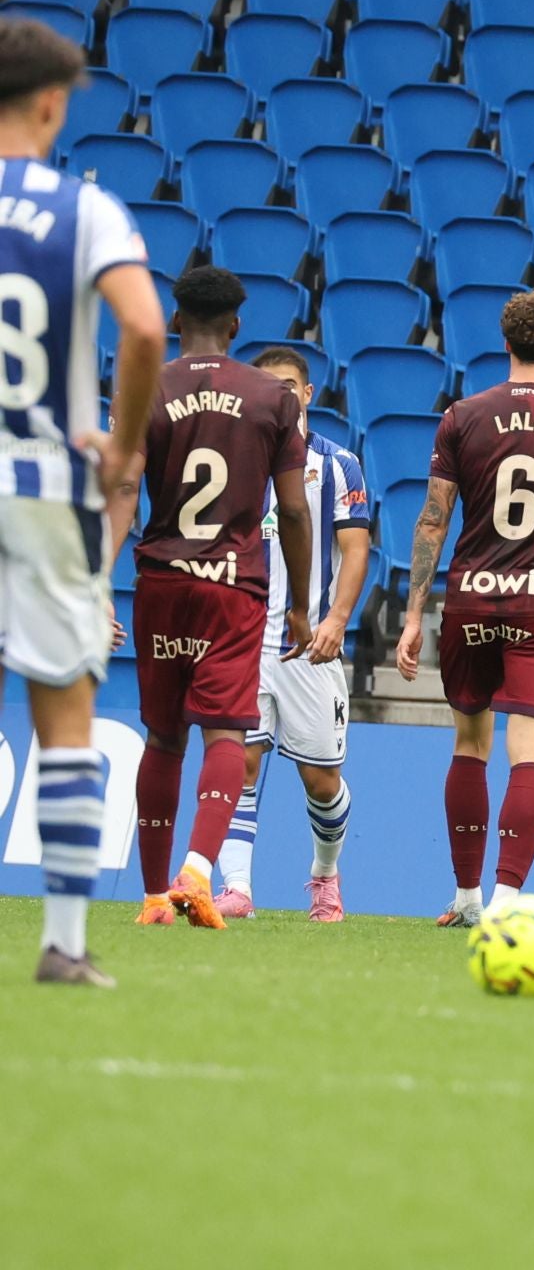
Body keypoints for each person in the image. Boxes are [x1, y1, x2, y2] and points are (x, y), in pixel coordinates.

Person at [0, 17, 165, 984]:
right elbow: (143, 327)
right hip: (41, 482)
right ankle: (63, 944)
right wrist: (127, 440)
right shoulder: (81, 210)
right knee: (65, 711)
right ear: (53, 103)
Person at [397, 289, 534, 928]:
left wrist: (414, 613)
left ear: (505, 344)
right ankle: (504, 901)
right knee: (530, 755)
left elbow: (432, 521)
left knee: (470, 742)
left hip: (469, 599)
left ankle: (464, 898)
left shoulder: (463, 415)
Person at [111, 265, 313, 932]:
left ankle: (150, 897)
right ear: (235, 327)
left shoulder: (149, 389)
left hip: (162, 582)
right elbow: (293, 509)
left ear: (175, 322)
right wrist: (301, 605)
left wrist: (93, 583)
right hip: (233, 587)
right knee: (226, 729)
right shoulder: (271, 398)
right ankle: (197, 872)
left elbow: (121, 488)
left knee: (163, 737)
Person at [211, 346, 370, 922]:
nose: (279, 394)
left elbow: (356, 551)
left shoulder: (337, 464)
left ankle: (325, 876)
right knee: (240, 764)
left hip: (310, 647)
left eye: (289, 385)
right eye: (268, 385)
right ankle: (238, 889)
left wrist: (336, 620)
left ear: (307, 394)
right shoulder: (236, 460)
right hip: (245, 640)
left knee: (321, 781)